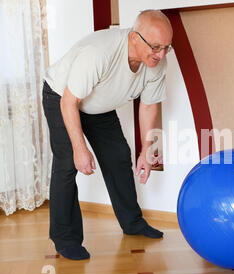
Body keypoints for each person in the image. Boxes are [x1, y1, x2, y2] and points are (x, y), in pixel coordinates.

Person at [41, 10, 173, 260]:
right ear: (135, 37)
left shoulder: (156, 62)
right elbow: (69, 102)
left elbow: (148, 105)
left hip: (98, 104)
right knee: (68, 162)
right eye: (156, 47)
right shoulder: (100, 53)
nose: (162, 54)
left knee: (118, 156)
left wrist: (146, 151)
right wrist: (80, 149)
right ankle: (65, 238)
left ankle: (133, 222)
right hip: (62, 97)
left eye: (167, 47)